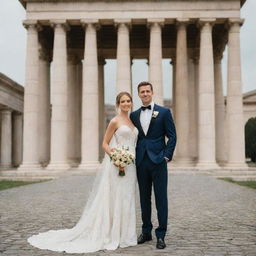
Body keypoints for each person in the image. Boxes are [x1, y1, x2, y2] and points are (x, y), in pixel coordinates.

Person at [27, 92, 138, 254]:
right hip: (117, 165)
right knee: (116, 197)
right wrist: (116, 157)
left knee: (127, 197)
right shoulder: (115, 121)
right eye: (123, 101)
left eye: (128, 101)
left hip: (131, 166)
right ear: (118, 104)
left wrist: (127, 159)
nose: (126, 103)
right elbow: (105, 144)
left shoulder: (132, 121)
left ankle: (125, 235)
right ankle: (112, 234)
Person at [130, 81, 176, 249]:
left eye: (147, 91)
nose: (145, 94)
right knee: (144, 198)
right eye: (142, 92)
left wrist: (166, 156)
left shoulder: (164, 112)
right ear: (139, 94)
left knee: (161, 198)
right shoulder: (134, 115)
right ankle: (146, 231)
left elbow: (172, 136)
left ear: (152, 92)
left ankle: (161, 235)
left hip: (159, 161)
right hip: (141, 161)